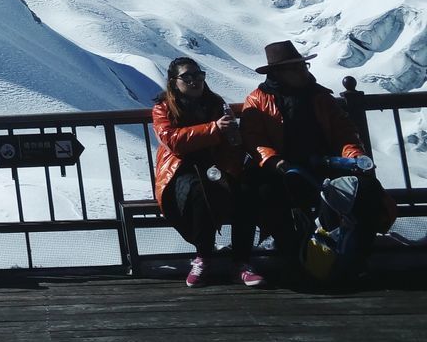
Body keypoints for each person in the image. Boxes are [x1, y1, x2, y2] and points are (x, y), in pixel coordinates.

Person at [240, 40, 396, 269]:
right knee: (266, 193)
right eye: (296, 67)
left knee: (366, 189)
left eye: (303, 66)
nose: (303, 71)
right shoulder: (257, 100)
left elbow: (345, 133)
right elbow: (254, 139)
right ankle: (296, 256)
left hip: (326, 165)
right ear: (278, 72)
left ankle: (352, 257)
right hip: (282, 171)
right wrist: (274, 161)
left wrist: (352, 157)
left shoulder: (320, 96)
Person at [152, 57, 263, 287]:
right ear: (174, 81)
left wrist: (233, 143)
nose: (195, 81)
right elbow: (173, 141)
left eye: (198, 75)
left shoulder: (215, 103)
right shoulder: (163, 108)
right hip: (179, 169)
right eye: (187, 77)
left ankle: (241, 261)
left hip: (218, 165)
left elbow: (232, 144)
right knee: (199, 191)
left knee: (246, 190)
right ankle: (203, 255)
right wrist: (214, 129)